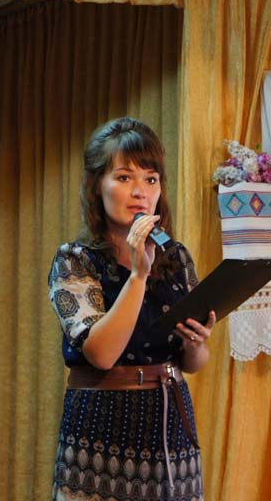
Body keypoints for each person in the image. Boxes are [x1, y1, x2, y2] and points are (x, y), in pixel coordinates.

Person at [48, 116, 214, 501]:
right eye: (124, 177)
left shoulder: (176, 256)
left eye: (151, 179)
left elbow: (193, 363)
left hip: (170, 424)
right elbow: (102, 354)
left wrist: (195, 344)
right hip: (101, 429)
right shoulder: (75, 259)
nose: (140, 192)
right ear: (97, 186)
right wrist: (139, 274)